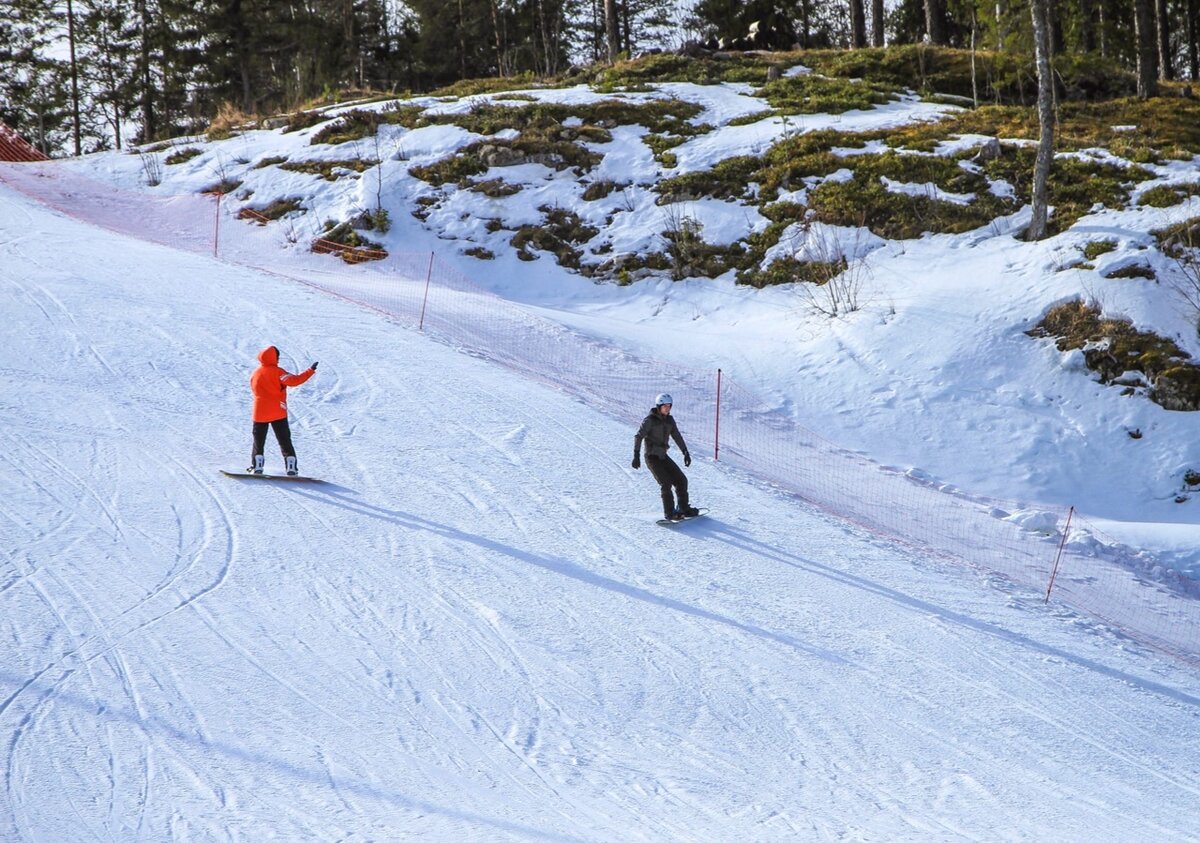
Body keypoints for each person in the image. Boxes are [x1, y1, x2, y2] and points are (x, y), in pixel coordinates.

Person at [249, 346, 317, 475]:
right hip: (277, 410)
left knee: (258, 440)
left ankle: (257, 465)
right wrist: (310, 371)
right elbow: (294, 381)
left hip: (260, 411)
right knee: (284, 439)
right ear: (274, 357)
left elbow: (253, 388)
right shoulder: (279, 372)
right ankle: (291, 466)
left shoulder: (255, 373)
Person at [632, 393, 700, 521]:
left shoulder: (670, 420)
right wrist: (636, 455)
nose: (667, 408)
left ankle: (683, 509)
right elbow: (638, 436)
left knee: (681, 480)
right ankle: (670, 513)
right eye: (665, 406)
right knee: (666, 483)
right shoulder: (649, 420)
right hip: (652, 457)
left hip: (663, 456)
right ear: (659, 406)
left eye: (669, 406)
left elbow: (677, 436)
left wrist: (685, 452)